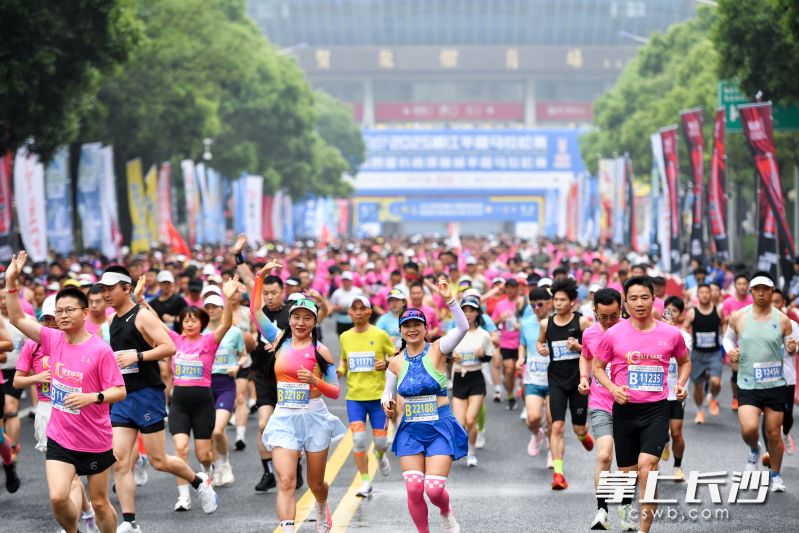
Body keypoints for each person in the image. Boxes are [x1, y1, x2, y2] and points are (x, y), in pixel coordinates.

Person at [5, 252, 127, 533]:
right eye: (59, 311)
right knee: (58, 498)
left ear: (84, 313)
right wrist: (12, 281)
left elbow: (118, 391)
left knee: (98, 503)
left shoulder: (99, 349)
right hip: (60, 436)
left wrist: (92, 398)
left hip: (94, 438)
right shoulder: (52, 339)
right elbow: (15, 317)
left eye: (69, 310)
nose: (62, 315)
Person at [101, 265, 218, 532]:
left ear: (126, 288)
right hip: (122, 395)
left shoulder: (142, 316)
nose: (106, 294)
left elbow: (169, 346)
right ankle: (129, 522)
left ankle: (199, 481)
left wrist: (138, 356)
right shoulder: (112, 320)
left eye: (110, 289)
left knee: (158, 460)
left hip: (147, 395)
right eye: (103, 289)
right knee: (120, 461)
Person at [251, 259, 346, 533]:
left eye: (307, 318)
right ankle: (288, 527)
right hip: (284, 416)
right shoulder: (278, 340)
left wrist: (315, 379)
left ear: (315, 321)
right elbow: (256, 311)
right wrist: (260, 276)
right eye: (296, 317)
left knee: (316, 484)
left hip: (314, 415)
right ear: (290, 319)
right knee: (286, 480)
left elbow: (335, 390)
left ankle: (320, 505)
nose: (301, 322)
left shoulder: (321, 352)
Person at [594, 276, 690, 533]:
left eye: (644, 297)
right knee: (629, 475)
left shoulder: (670, 334)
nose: (639, 303)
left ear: (653, 299)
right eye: (633, 298)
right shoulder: (613, 334)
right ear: (625, 302)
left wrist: (680, 384)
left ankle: (643, 531)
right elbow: (598, 368)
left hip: (656, 410)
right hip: (624, 411)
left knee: (648, 468)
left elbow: (685, 362)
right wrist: (613, 389)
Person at [381, 277, 469, 533]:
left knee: (434, 489)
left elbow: (462, 328)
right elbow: (387, 393)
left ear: (425, 328)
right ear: (401, 330)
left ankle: (445, 511)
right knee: (414, 488)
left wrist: (450, 300)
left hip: (439, 426)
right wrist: (387, 405)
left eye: (417, 324)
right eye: (406, 325)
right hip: (411, 428)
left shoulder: (439, 349)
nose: (412, 329)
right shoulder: (395, 362)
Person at [164, 277, 238, 508]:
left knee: (204, 455)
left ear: (202, 323)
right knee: (180, 450)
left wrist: (226, 298)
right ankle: (183, 496)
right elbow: (153, 324)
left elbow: (226, 324)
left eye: (194, 320)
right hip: (179, 403)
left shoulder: (209, 341)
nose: (189, 323)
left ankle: (206, 475)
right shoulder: (175, 340)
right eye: (185, 319)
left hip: (203, 403)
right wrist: (139, 300)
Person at [723, 272, 795, 492]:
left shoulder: (782, 320)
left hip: (775, 384)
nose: (762, 293)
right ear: (751, 291)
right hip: (748, 383)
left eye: (766, 289)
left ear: (772, 291)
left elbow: (790, 347)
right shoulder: (738, 317)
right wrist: (731, 351)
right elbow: (727, 338)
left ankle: (775, 475)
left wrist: (793, 348)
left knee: (774, 433)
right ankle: (754, 448)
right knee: (749, 429)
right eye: (757, 289)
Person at [537, 277, 593, 490]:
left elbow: (592, 350)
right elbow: (541, 342)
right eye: (556, 300)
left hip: (578, 382)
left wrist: (578, 347)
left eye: (562, 300)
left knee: (578, 426)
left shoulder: (581, 322)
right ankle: (559, 475)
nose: (558, 303)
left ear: (572, 302)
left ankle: (582, 435)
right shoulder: (546, 323)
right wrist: (542, 348)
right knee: (557, 426)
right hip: (556, 382)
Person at [337, 295, 395, 496]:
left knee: (380, 443)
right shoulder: (345, 337)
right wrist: (339, 371)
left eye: (363, 309)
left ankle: (380, 456)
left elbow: (396, 356)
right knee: (359, 440)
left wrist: (386, 364)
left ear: (370, 312)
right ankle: (365, 481)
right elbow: (343, 361)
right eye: (355, 309)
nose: (359, 312)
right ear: (349, 313)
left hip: (378, 397)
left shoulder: (380, 335)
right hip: (355, 398)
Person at [577, 288, 622, 530]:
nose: (607, 322)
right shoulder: (590, 334)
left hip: (630, 403)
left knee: (628, 462)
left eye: (613, 316)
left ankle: (625, 506)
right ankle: (602, 510)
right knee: (604, 455)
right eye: (602, 317)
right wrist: (585, 377)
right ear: (594, 312)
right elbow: (586, 356)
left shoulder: (630, 331)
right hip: (601, 401)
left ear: (621, 310)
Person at [202, 291, 246, 487]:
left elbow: (243, 355)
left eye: (215, 307)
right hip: (204, 384)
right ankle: (217, 466)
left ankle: (226, 463)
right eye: (207, 307)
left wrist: (237, 365)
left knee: (218, 430)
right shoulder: (201, 331)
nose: (211, 311)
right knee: (208, 431)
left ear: (222, 309)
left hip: (225, 384)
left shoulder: (234, 331)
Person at [450, 296, 493, 467]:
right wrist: (451, 358)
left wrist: (483, 355)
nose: (468, 314)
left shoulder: (483, 335)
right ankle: (465, 448)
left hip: (476, 379)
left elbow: (489, 357)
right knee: (460, 423)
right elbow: (444, 356)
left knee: (470, 419)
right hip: (459, 378)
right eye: (465, 310)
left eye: (471, 310)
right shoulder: (454, 334)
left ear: (477, 313)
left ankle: (472, 452)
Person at [517, 287, 553, 463]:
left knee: (552, 420)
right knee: (533, 418)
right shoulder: (526, 323)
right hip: (533, 378)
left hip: (555, 380)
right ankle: (537, 434)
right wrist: (520, 358)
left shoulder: (557, 322)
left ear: (549, 303)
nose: (536, 308)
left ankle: (553, 453)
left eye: (540, 304)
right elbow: (522, 343)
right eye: (532, 305)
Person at [683, 283, 723, 423]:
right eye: (702, 292)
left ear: (711, 294)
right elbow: (684, 329)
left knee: (716, 382)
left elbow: (724, 325)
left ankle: (712, 397)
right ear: (698, 295)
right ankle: (700, 411)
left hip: (714, 353)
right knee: (698, 386)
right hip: (698, 354)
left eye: (707, 292)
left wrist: (725, 340)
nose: (705, 295)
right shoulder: (692, 312)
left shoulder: (718, 311)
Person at [662, 296, 692, 482]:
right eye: (667, 310)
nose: (669, 314)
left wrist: (671, 330)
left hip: (677, 391)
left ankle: (677, 466)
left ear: (680, 315)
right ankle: (663, 444)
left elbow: (683, 357)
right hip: (658, 390)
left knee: (676, 431)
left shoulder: (685, 336)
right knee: (659, 431)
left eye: (674, 310)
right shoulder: (654, 332)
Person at [491, 278, 525, 409]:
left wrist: (520, 325)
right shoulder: (500, 304)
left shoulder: (523, 302)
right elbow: (492, 322)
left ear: (517, 288)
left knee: (521, 371)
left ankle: (524, 394)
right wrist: (501, 319)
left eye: (513, 287)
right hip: (506, 342)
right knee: (509, 369)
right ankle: (510, 395)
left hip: (522, 342)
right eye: (508, 287)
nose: (510, 290)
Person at [723, 273, 753, 411]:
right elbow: (724, 323)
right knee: (736, 373)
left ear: (748, 286)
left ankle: (750, 398)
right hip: (735, 345)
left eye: (744, 284)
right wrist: (727, 343)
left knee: (751, 372)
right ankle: (736, 397)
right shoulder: (729, 302)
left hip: (751, 345)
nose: (742, 286)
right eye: (739, 284)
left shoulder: (753, 301)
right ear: (735, 286)